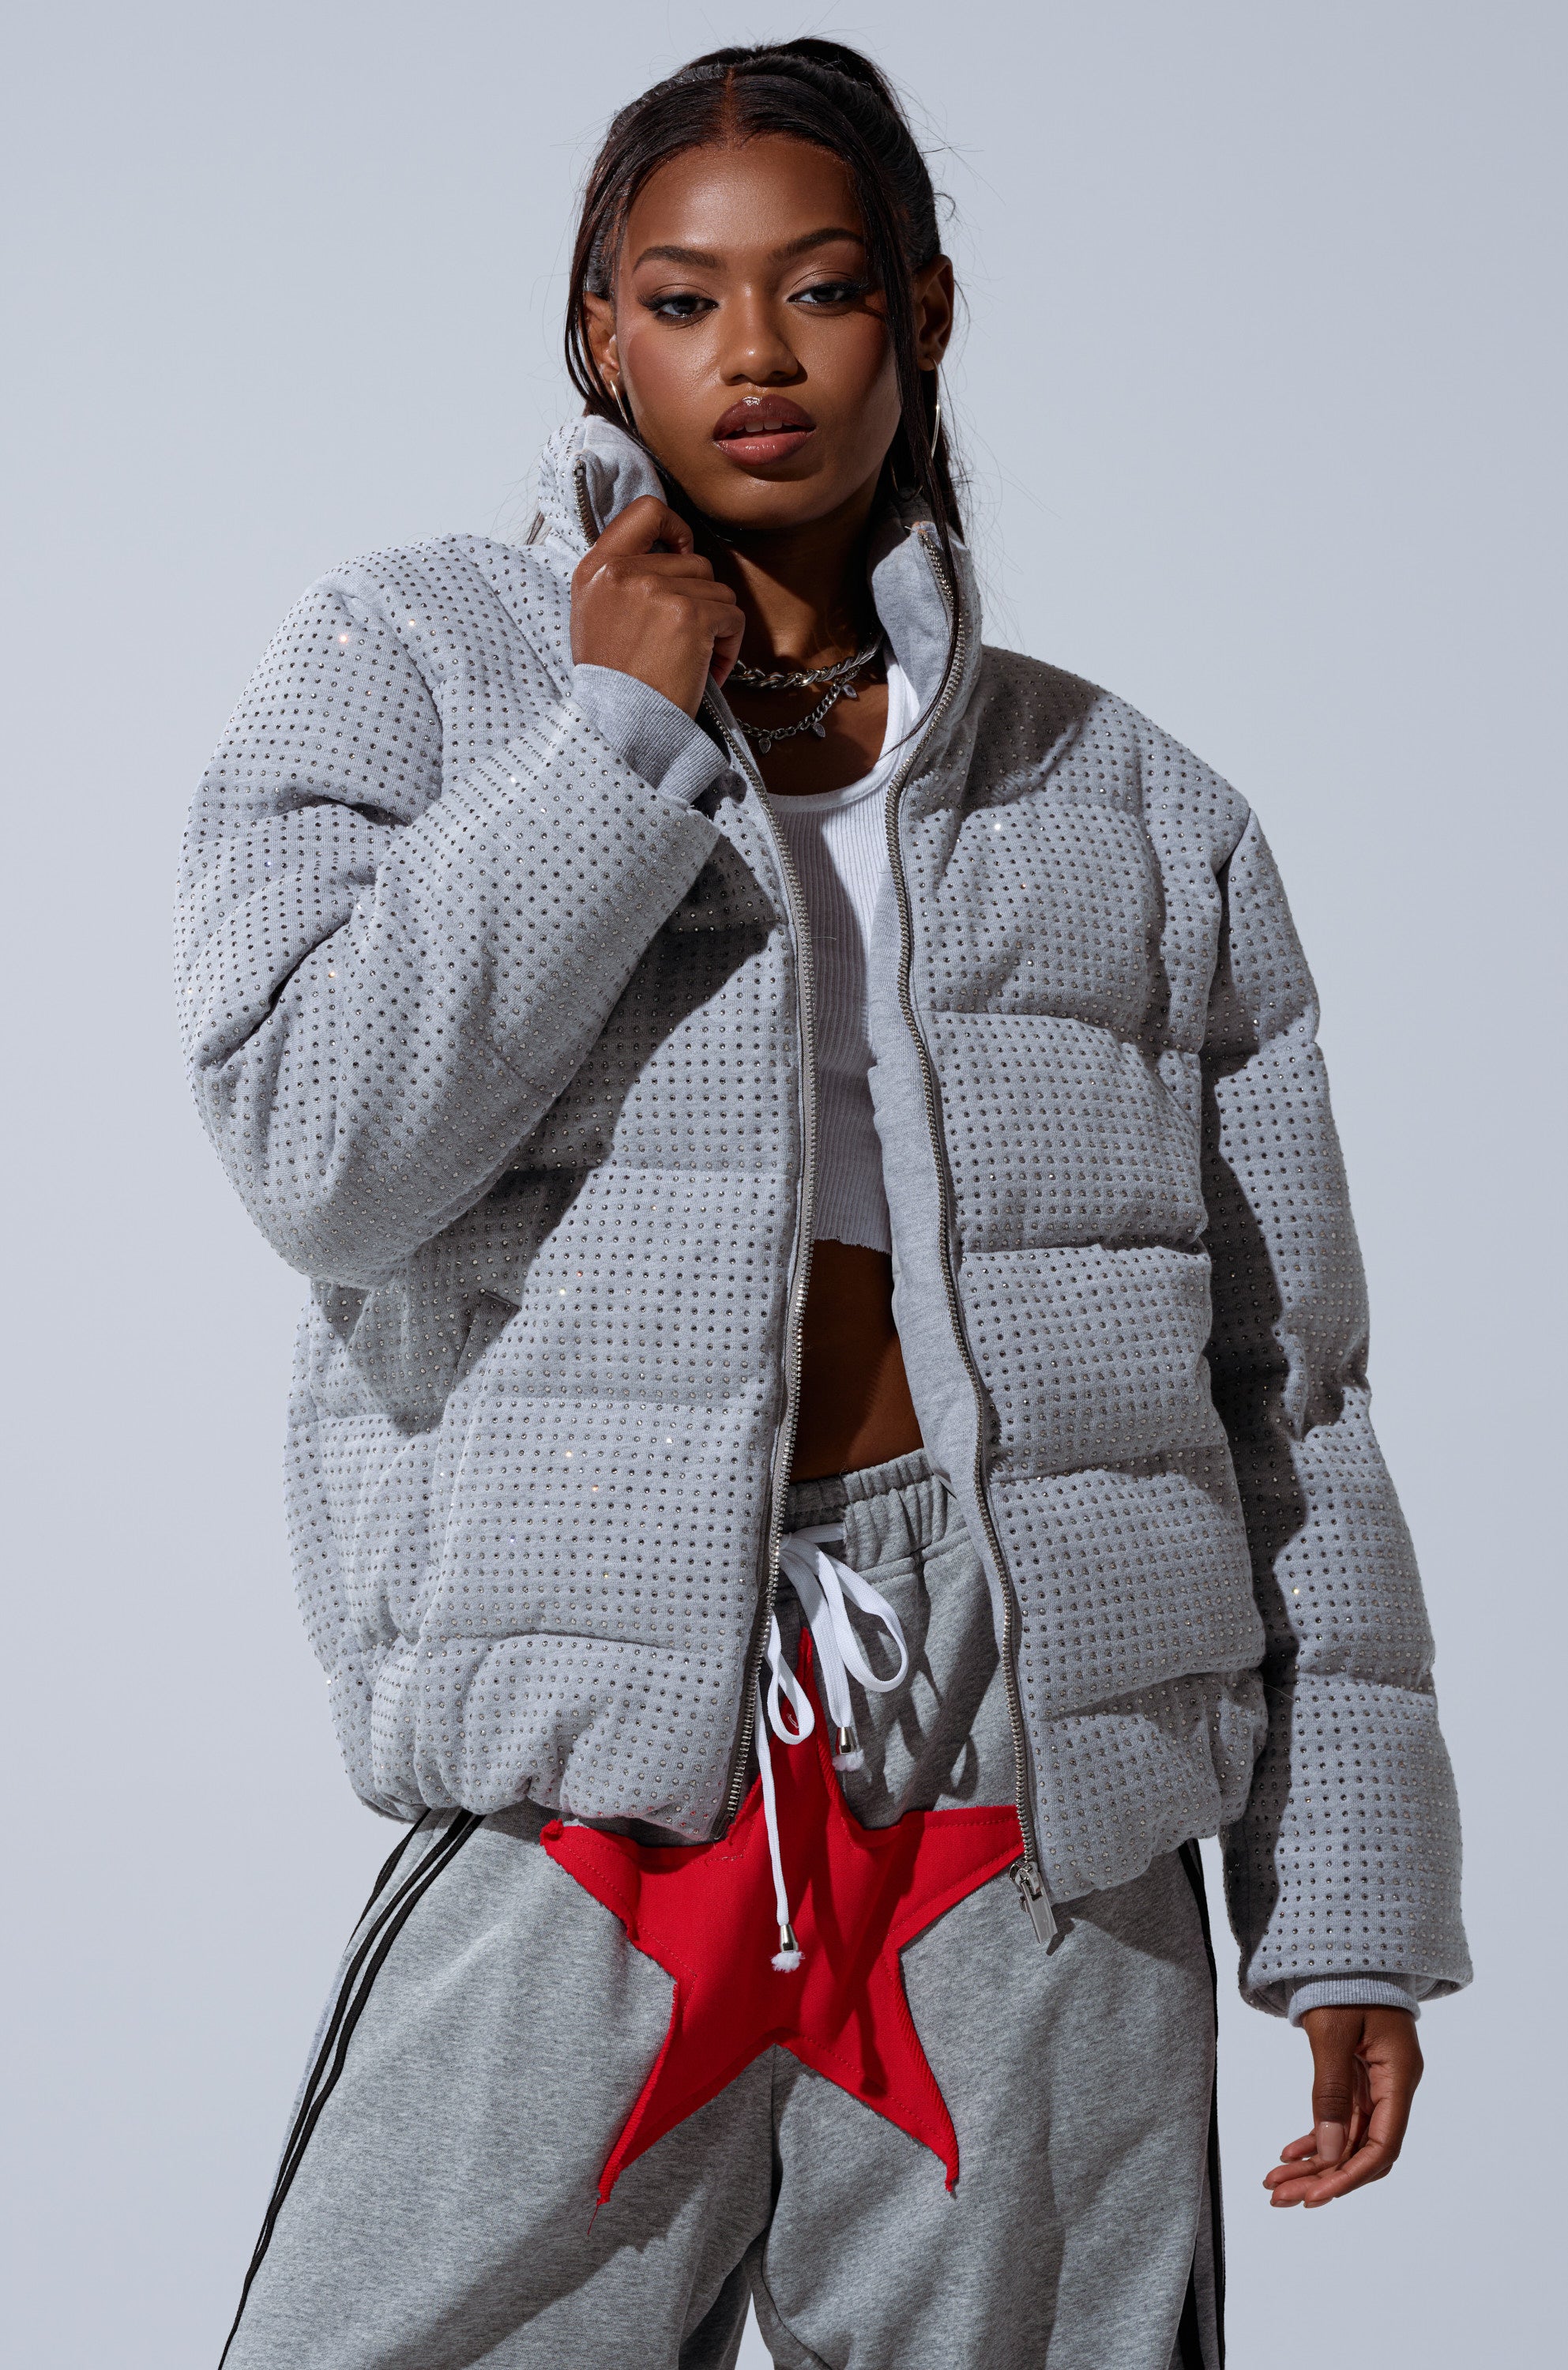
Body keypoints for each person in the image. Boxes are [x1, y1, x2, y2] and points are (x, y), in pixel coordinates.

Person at [177, 38, 1468, 2370]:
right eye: (680, 299)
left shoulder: (1141, 809)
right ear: (598, 332)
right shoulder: (418, 672)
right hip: (602, 1746)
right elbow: (318, 1152)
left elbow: (1294, 1395)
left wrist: (1343, 1897)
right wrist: (613, 750)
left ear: (925, 316)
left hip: (1035, 1760)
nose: (752, 356)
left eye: (821, 289)